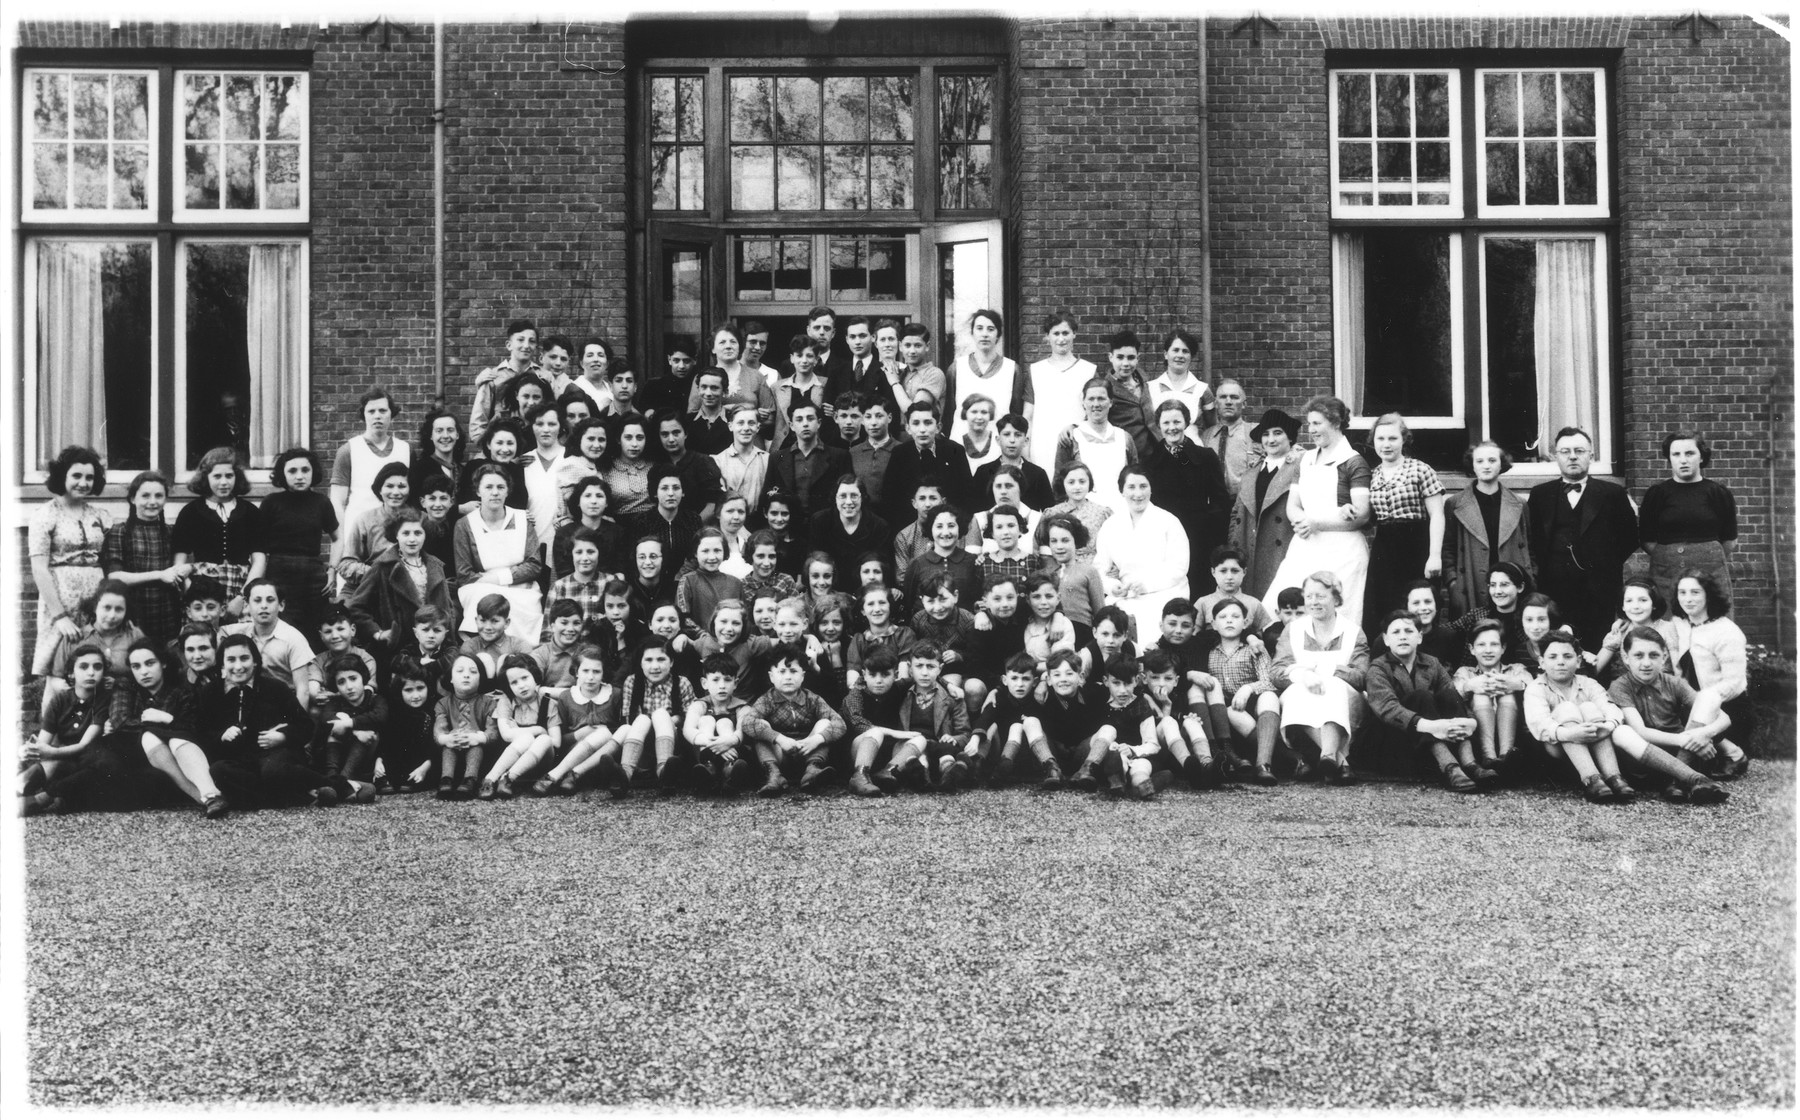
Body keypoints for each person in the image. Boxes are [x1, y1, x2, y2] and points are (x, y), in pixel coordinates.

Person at [1259, 396, 1372, 630]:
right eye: (1310, 424)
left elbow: (1361, 515)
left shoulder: (1353, 463)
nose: (1311, 430)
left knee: (1338, 615)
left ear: (1336, 423)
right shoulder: (1306, 459)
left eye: (1317, 423)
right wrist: (1302, 522)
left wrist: (1316, 522)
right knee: (1283, 608)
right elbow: (1293, 505)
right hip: (1306, 545)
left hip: (1344, 553)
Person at [1527, 426, 1638, 650]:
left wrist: (1602, 564)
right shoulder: (1540, 495)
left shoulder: (1612, 493)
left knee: (1597, 649)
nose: (1573, 456)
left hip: (1599, 590)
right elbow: (1533, 539)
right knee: (1555, 649)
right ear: (1555, 456)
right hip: (1553, 589)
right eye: (1565, 451)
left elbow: (1630, 538)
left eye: (1579, 450)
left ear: (1591, 455)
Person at [1607, 626, 1732, 803]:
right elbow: (1641, 732)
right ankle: (1694, 779)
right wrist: (1685, 740)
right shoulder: (1620, 687)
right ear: (1626, 658)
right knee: (1622, 733)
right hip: (1645, 762)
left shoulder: (1673, 683)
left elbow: (1724, 718)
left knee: (1709, 697)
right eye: (1638, 655)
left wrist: (1702, 735)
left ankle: (1676, 782)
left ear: (1664, 657)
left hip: (1681, 755)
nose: (1646, 663)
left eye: (1654, 655)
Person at [1365, 611, 1483, 793]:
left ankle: (1469, 763)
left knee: (1448, 695)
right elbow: (1388, 709)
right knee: (1422, 696)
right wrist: (1434, 727)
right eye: (1396, 632)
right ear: (1386, 639)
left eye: (1408, 631)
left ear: (1419, 637)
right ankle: (1450, 767)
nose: (1403, 636)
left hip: (1422, 744)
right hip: (1390, 742)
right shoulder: (1378, 668)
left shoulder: (1432, 663)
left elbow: (1453, 699)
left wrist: (1471, 721)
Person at [1269, 571, 1369, 785]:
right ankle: (1333, 759)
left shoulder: (1353, 632)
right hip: (1305, 696)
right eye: (1309, 596)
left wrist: (1327, 669)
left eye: (1321, 596)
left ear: (1336, 598)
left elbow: (1361, 677)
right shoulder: (1293, 630)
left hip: (1345, 701)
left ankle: (1331, 757)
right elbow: (1277, 671)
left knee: (1332, 685)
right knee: (1297, 691)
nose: (1313, 602)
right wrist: (1302, 674)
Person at [1523, 629, 1641, 804]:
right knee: (1567, 708)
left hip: (1594, 742)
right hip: (1557, 749)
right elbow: (1540, 724)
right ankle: (1591, 779)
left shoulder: (1589, 684)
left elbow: (1612, 709)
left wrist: (1606, 726)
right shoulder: (1536, 688)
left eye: (1567, 656)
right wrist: (1570, 734)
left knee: (1589, 707)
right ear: (1542, 662)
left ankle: (1614, 777)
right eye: (1553, 657)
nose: (1560, 662)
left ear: (1578, 661)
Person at [30, 446, 112, 677]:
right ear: (62, 476)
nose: (83, 483)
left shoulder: (100, 516)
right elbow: (39, 569)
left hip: (94, 599)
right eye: (76, 476)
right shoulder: (46, 515)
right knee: (57, 669)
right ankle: (50, 712)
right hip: (61, 598)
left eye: (89, 477)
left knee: (93, 663)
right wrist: (60, 617)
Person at [1363, 412, 1447, 635]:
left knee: (1419, 607)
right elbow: (1368, 517)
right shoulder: (1372, 476)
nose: (1386, 445)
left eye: (1392, 438)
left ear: (1404, 440)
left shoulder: (1420, 469)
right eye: (1381, 439)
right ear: (1373, 442)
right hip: (1384, 548)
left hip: (1416, 544)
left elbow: (1437, 514)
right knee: (1383, 607)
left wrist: (1435, 555)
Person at [1141, 399, 1233, 599]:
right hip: (1163, 539)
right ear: (1159, 426)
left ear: (1186, 423)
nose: (1172, 428)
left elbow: (1220, 500)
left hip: (1198, 538)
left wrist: (1212, 535)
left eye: (1177, 422)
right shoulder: (1149, 463)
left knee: (1198, 590)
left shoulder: (1205, 457)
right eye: (1166, 423)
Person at [1639, 431, 1738, 608]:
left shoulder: (1718, 493)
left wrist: (1703, 556)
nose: (1683, 460)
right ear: (1669, 459)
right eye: (1676, 454)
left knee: (1711, 625)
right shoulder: (1657, 494)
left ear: (1701, 457)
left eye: (1690, 453)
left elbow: (1729, 540)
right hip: (1666, 574)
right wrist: (1670, 557)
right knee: (1668, 627)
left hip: (1710, 574)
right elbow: (1647, 540)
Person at [1667, 569, 1755, 769]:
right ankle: (1693, 762)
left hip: (1726, 709)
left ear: (1708, 594)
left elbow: (1735, 683)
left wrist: (1703, 700)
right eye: (1682, 593)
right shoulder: (1680, 624)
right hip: (1688, 704)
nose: (1688, 599)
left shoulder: (1726, 631)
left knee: (1703, 701)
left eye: (1695, 592)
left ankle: (1730, 753)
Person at [452, 463, 548, 643]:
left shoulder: (522, 519)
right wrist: (490, 583)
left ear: (507, 491)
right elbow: (464, 574)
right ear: (478, 491)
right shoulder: (464, 525)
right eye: (488, 487)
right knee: (485, 603)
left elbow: (534, 565)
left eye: (500, 487)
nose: (495, 492)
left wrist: (497, 579)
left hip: (522, 589)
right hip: (480, 588)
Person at [1095, 465, 1190, 643]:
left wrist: (1146, 585)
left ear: (1151, 488)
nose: (1138, 494)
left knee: (1155, 627)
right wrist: (1112, 586)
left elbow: (1179, 567)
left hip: (1167, 592)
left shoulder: (1169, 521)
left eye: (1143, 486)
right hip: (1127, 595)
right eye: (1131, 487)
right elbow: (1099, 568)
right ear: (1122, 490)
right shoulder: (1111, 525)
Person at [172, 447, 267, 619]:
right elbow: (179, 562)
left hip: (241, 587)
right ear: (205, 477)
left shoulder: (250, 512)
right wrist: (193, 594)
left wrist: (243, 596)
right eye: (217, 476)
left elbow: (259, 559)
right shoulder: (190, 512)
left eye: (229, 476)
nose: (223, 482)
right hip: (202, 590)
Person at [346, 507, 457, 653]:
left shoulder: (435, 565)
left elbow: (447, 608)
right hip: (400, 649)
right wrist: (378, 633)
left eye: (418, 533)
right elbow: (356, 607)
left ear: (425, 535)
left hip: (434, 646)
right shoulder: (383, 566)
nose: (412, 539)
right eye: (405, 533)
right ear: (396, 535)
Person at [100, 469, 190, 647]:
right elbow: (114, 576)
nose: (152, 502)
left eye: (159, 496)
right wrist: (160, 575)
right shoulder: (120, 532)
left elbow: (181, 567)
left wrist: (186, 569)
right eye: (145, 496)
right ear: (133, 499)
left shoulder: (172, 532)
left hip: (167, 612)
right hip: (134, 612)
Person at [1443, 440, 1533, 618]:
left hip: (1510, 585)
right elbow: (1448, 549)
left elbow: (1530, 546)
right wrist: (1454, 582)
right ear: (1472, 466)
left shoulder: (1519, 504)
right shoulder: (1455, 503)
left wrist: (1531, 576)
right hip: (1471, 583)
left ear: (1502, 464)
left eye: (1492, 460)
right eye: (1480, 461)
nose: (1486, 466)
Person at [1227, 409, 1302, 602]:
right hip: (1248, 548)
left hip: (1280, 548)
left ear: (1290, 438)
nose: (1271, 439)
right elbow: (1236, 513)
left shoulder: (1299, 468)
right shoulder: (1251, 471)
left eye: (1278, 433)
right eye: (1266, 434)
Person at [330, 387, 411, 561]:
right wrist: (343, 539)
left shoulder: (405, 449)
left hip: (394, 535)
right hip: (357, 535)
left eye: (382, 410)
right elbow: (337, 500)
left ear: (391, 414)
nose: (377, 415)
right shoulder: (348, 450)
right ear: (364, 415)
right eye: (371, 411)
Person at [1024, 312, 1098, 470]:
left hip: (1079, 444)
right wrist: (1026, 451)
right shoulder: (1036, 370)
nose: (1061, 339)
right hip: (1042, 447)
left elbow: (1096, 413)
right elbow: (1028, 416)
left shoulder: (1089, 371)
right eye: (1056, 333)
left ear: (1074, 334)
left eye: (1065, 333)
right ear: (1047, 336)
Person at [1055, 376, 1139, 510]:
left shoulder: (1124, 438)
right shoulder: (1071, 438)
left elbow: (1135, 479)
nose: (1096, 404)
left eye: (1101, 398)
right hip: (1084, 513)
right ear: (1083, 402)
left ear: (1110, 402)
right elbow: (1059, 485)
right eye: (1091, 399)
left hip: (1121, 511)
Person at [884, 401, 973, 525]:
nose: (922, 430)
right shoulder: (899, 454)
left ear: (938, 427)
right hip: (911, 527)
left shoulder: (954, 451)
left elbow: (966, 496)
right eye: (916, 423)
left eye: (928, 423)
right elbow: (891, 498)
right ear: (908, 428)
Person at [947, 309, 1028, 440]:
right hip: (961, 446)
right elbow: (948, 413)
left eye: (990, 329)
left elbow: (1016, 414)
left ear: (998, 335)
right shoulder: (957, 368)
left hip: (999, 446)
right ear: (972, 333)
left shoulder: (1012, 369)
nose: (985, 334)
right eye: (979, 328)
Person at [772, 399, 853, 522]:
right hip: (790, 527)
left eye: (810, 419)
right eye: (799, 420)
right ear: (791, 426)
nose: (805, 424)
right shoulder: (777, 458)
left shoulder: (840, 456)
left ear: (819, 423)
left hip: (827, 527)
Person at [810, 475, 890, 592]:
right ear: (835, 498)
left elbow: (882, 566)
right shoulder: (820, 521)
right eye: (843, 496)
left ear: (862, 498)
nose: (848, 502)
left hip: (865, 589)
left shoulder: (878, 526)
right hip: (830, 588)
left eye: (854, 496)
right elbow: (815, 559)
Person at [469, 319, 539, 445]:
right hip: (502, 450)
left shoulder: (543, 377)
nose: (526, 345)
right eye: (521, 340)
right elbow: (477, 425)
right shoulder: (492, 377)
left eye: (532, 341)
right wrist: (491, 450)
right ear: (509, 345)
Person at [973, 412, 1055, 513]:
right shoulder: (984, 472)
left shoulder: (1038, 474)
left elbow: (1049, 511)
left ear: (1026, 440)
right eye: (1006, 434)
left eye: (1018, 435)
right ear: (998, 440)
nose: (1012, 440)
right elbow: (974, 510)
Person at [763, 334, 830, 451]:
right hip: (783, 448)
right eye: (799, 355)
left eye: (809, 356)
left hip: (817, 448)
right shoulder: (777, 387)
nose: (804, 360)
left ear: (816, 359)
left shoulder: (826, 385)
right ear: (792, 358)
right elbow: (771, 423)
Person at [1144, 328, 1212, 442]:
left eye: (1185, 351)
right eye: (1175, 350)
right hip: (1160, 454)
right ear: (1166, 354)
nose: (1180, 355)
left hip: (1192, 454)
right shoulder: (1150, 388)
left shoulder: (1202, 390)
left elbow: (1211, 429)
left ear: (1191, 356)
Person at [655, 411, 724, 521]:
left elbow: (713, 504)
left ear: (685, 433)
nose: (671, 439)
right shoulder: (658, 466)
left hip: (699, 527)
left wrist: (693, 527)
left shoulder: (703, 462)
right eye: (665, 434)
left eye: (676, 433)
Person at [519, 402, 570, 547]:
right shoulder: (523, 462)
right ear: (532, 427)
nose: (545, 429)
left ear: (560, 426)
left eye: (552, 424)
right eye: (539, 424)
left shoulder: (570, 458)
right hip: (530, 544)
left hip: (564, 544)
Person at [1098, 329, 1155, 454]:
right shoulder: (1105, 389)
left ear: (1137, 358)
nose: (1125, 363)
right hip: (1125, 454)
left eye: (1130, 358)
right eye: (1120, 357)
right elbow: (1094, 418)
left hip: (1153, 452)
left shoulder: (1145, 380)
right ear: (1111, 357)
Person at [1197, 378, 1260, 492]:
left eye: (1234, 397)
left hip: (1244, 504)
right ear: (1216, 403)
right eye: (1223, 397)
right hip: (1212, 505)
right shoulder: (1205, 437)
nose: (1228, 402)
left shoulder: (1256, 433)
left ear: (1244, 404)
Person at [457, 419, 530, 514]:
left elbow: (521, 505)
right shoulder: (474, 467)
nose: (505, 449)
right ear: (488, 444)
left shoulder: (518, 471)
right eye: (499, 443)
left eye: (510, 443)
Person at [715, 403, 772, 512]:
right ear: (730, 426)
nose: (746, 428)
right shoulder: (719, 461)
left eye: (751, 423)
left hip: (759, 522)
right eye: (740, 423)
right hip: (730, 521)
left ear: (758, 427)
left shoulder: (767, 459)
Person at [600, 414, 656, 519]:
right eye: (628, 438)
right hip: (619, 526)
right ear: (618, 439)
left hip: (653, 524)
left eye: (640, 438)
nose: (634, 444)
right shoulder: (607, 469)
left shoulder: (654, 467)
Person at [686, 368, 735, 455]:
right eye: (704, 387)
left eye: (714, 388)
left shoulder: (733, 421)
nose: (708, 393)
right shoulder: (686, 421)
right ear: (698, 390)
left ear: (725, 392)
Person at [564, 336, 618, 414]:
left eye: (600, 355)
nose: (596, 359)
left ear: (607, 363)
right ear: (581, 363)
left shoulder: (612, 389)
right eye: (590, 355)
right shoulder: (574, 388)